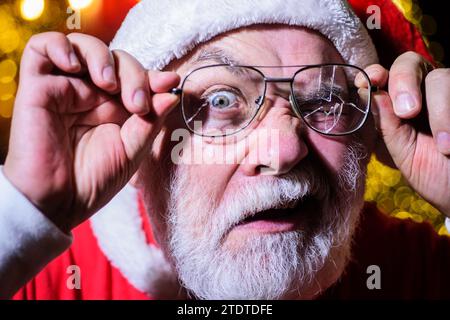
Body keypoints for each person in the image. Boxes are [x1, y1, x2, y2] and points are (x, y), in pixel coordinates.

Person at [0, 0, 449, 300]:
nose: (284, 149)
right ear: (138, 139)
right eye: (220, 101)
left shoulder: (412, 270)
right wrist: (22, 212)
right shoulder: (39, 273)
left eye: (324, 100)